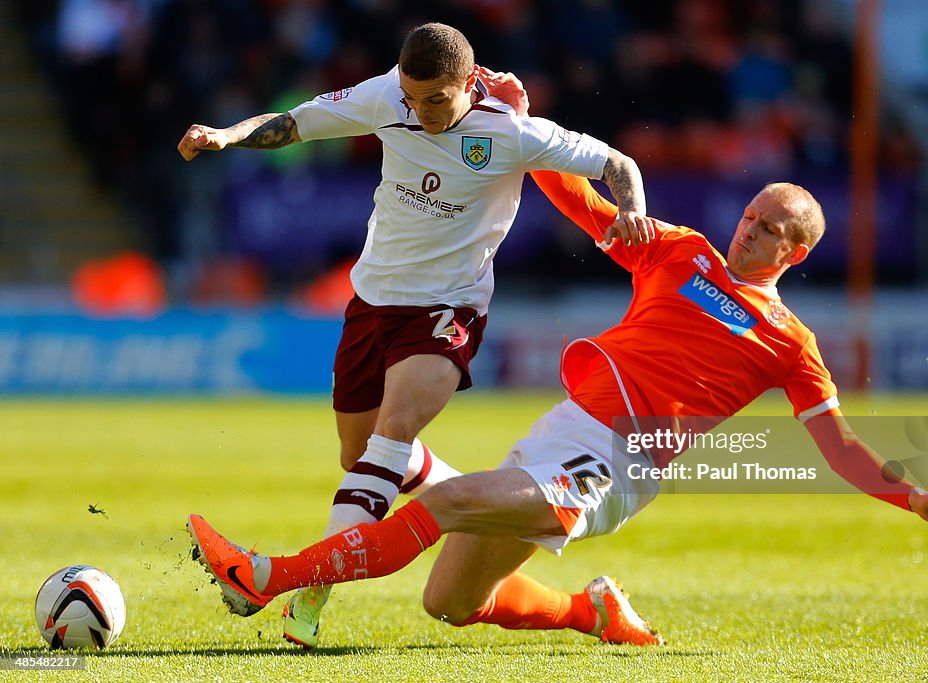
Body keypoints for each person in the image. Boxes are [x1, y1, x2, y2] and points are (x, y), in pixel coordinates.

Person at [186, 169, 928, 647]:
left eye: (773, 229)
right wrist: (520, 127)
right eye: (751, 216)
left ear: (797, 252)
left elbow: (840, 445)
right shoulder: (680, 251)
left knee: (449, 499)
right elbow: (577, 197)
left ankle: (268, 576)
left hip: (615, 465)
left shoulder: (790, 340)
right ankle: (589, 610)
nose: (751, 232)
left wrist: (910, 493)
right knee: (451, 604)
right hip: (562, 430)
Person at [176, 23, 651, 648]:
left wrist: (631, 209)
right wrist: (226, 135)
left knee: (392, 434)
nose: (418, 111)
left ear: (467, 84)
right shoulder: (387, 98)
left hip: (447, 308)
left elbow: (616, 163)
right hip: (372, 302)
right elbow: (295, 124)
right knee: (363, 456)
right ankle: (474, 503)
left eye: (434, 100)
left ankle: (302, 598)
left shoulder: (509, 132)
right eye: (410, 95)